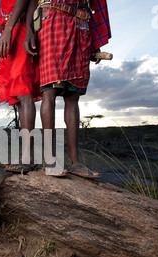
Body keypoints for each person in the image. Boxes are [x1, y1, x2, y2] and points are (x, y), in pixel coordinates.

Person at [25, 0, 111, 178]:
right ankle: (50, 160)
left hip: (81, 23)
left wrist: (95, 40)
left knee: (73, 95)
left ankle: (75, 163)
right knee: (50, 90)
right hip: (52, 19)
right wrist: (29, 32)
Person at [0, 0, 41, 173]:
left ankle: (29, 157)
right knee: (19, 98)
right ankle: (27, 155)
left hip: (17, 31)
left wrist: (11, 30)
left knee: (24, 92)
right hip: (10, 32)